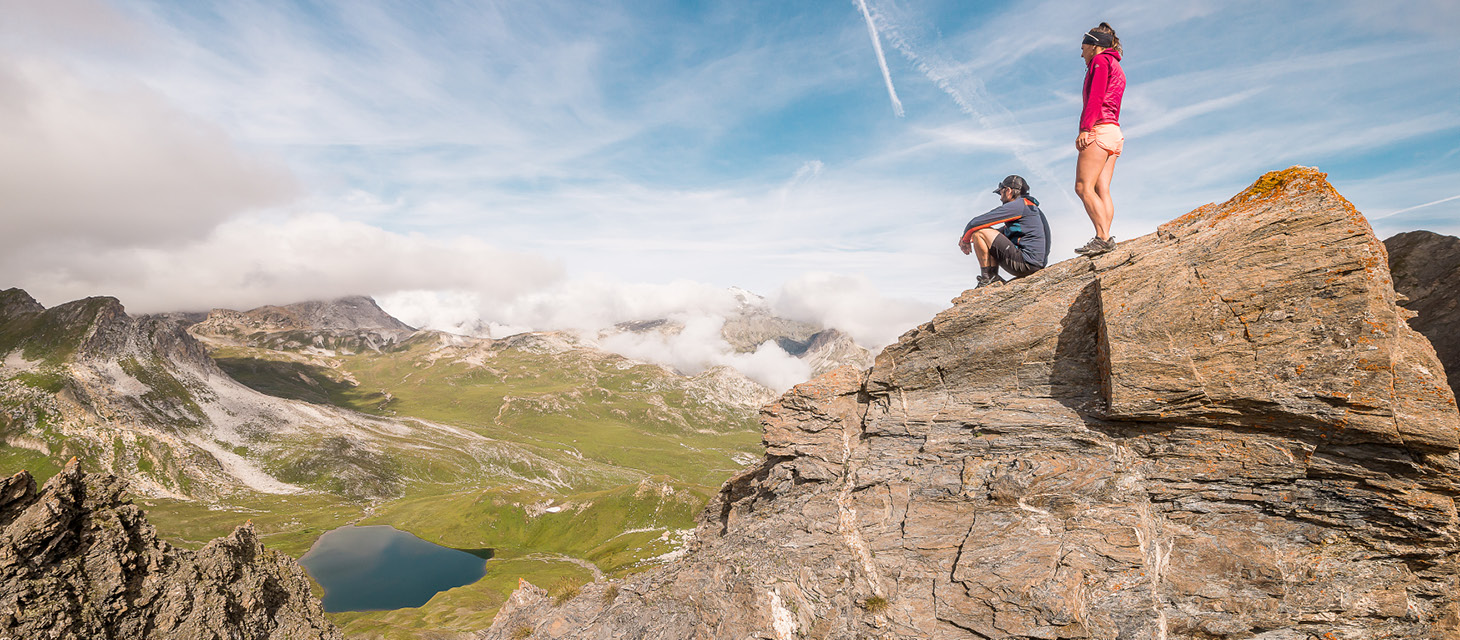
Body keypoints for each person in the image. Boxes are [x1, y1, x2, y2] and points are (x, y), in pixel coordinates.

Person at [1073, 22, 1125, 257]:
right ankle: (1105, 237)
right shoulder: (1116, 65)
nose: (1081, 52)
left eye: (1083, 47)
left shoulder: (1100, 61)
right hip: (1114, 132)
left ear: (1094, 45)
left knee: (1083, 187)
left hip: (1099, 129)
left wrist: (1085, 128)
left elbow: (1095, 97)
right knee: (1102, 187)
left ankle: (1103, 237)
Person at [958, 175, 1051, 288]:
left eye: (1001, 193)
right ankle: (992, 276)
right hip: (1035, 263)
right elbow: (999, 234)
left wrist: (965, 239)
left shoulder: (1019, 205)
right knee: (981, 234)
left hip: (1025, 263)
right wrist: (974, 240)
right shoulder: (1030, 207)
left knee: (980, 232)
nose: (1000, 198)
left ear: (1008, 190)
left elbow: (975, 223)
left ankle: (988, 278)